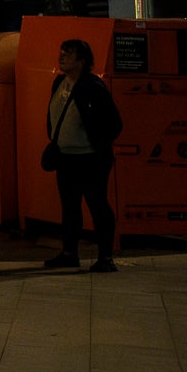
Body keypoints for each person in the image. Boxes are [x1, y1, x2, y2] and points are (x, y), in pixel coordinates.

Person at [45, 37, 122, 272]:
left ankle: (106, 257)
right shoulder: (59, 83)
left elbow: (114, 124)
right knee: (70, 208)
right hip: (65, 157)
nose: (61, 58)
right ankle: (69, 253)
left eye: (67, 54)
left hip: (90, 159)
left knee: (97, 205)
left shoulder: (93, 87)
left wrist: (97, 143)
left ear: (81, 61)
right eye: (61, 53)